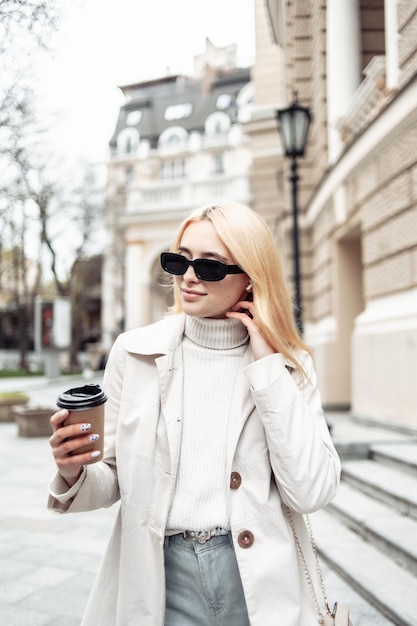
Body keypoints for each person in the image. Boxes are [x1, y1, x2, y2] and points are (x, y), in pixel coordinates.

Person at [48, 201, 341, 626]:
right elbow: (113, 478)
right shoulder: (135, 353)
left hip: (258, 579)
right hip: (162, 576)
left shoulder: (289, 366)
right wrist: (73, 470)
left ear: (251, 279)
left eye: (210, 267)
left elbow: (311, 491)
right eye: (179, 260)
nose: (187, 276)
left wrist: (267, 369)